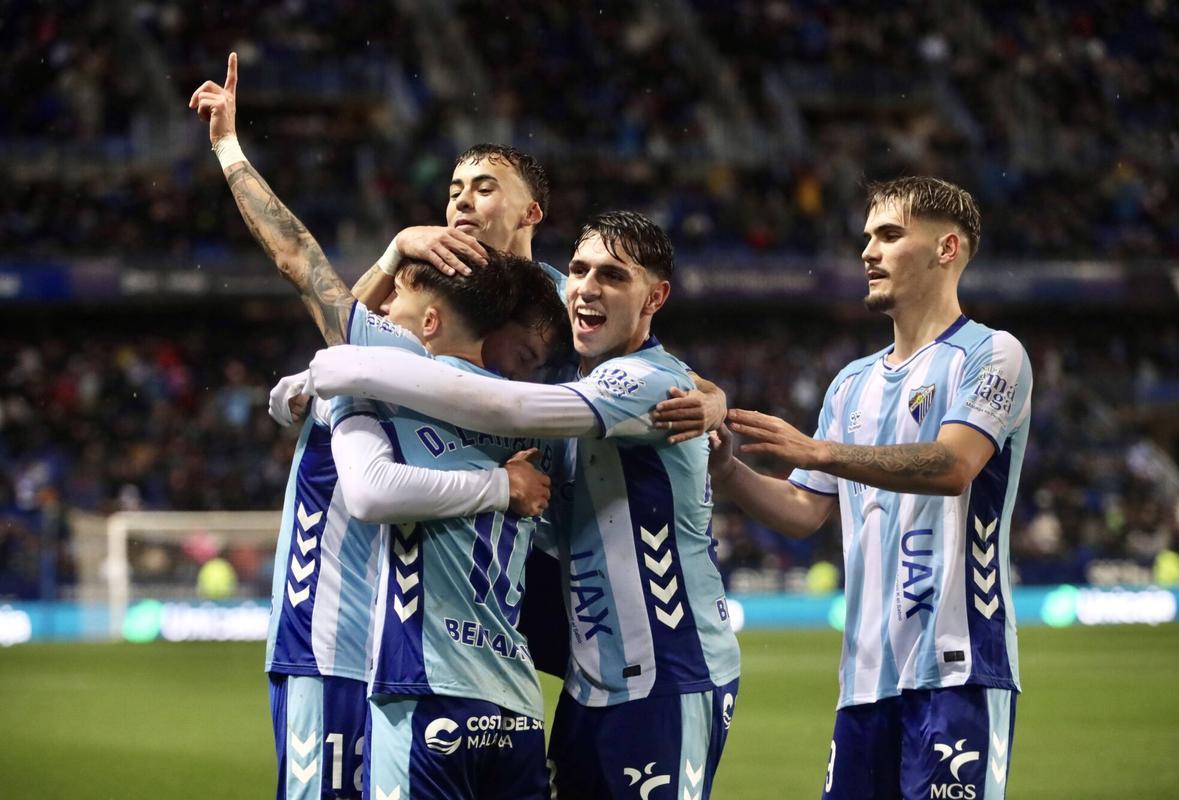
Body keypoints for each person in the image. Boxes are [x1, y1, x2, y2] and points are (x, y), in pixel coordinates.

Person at [189, 54, 567, 799]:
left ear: (531, 213)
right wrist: (392, 253)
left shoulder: (562, 309)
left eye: (484, 187)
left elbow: (636, 361)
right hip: (337, 625)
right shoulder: (407, 322)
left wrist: (706, 399)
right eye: (454, 187)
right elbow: (314, 288)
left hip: (477, 652)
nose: (461, 201)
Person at [306, 211, 742, 800]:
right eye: (580, 271)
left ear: (655, 297)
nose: (586, 286)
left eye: (612, 276)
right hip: (591, 685)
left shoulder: (642, 381)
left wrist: (347, 366)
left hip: (669, 673)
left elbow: (506, 408)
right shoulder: (580, 390)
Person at [711, 177, 1032, 800]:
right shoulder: (849, 385)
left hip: (959, 668)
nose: (868, 252)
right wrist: (729, 471)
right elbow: (805, 512)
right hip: (863, 684)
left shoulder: (992, 355)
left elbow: (953, 465)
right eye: (867, 237)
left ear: (947, 249)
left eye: (889, 235)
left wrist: (819, 451)